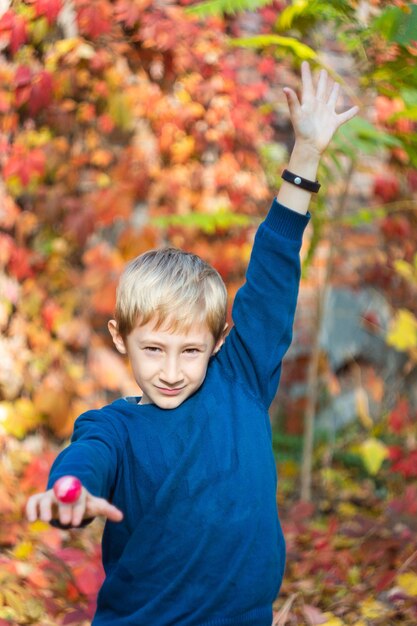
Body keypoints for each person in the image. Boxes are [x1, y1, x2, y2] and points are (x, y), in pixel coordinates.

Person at [26, 62, 358, 626]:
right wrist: (69, 489)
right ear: (120, 339)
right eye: (153, 350)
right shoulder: (116, 427)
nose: (173, 371)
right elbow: (87, 459)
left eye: (191, 351)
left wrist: (305, 155)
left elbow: (273, 273)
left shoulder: (241, 382)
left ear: (220, 341)